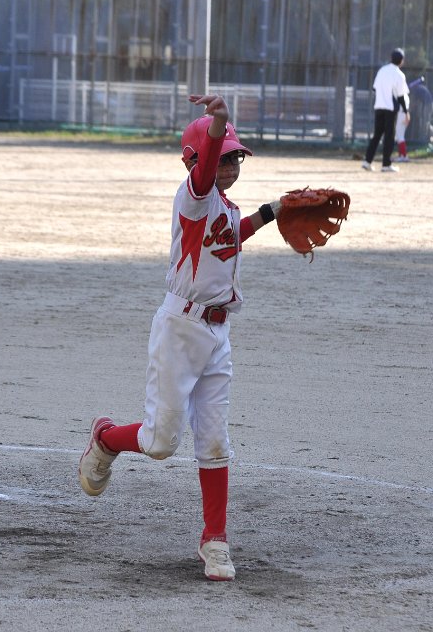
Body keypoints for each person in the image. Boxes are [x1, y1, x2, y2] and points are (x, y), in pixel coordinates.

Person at [77, 93, 283, 582]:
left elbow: (232, 234)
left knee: (214, 441)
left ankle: (215, 540)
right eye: (223, 156)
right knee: (160, 443)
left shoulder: (223, 206)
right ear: (195, 160)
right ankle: (105, 438)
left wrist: (273, 210)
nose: (230, 164)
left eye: (236, 157)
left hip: (218, 334)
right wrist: (219, 125)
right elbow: (206, 173)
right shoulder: (194, 196)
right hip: (180, 330)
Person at [362, 48, 409, 173]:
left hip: (378, 106)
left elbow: (375, 88)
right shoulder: (399, 74)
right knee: (389, 136)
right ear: (401, 61)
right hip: (390, 108)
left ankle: (367, 161)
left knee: (377, 135)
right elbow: (401, 96)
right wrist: (406, 112)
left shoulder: (382, 70)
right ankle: (386, 164)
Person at [410, 76, 433, 149]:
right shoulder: (420, 88)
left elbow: (414, 102)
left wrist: (410, 110)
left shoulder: (417, 89)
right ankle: (432, 134)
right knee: (424, 121)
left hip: (428, 105)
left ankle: (423, 139)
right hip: (429, 104)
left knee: (424, 122)